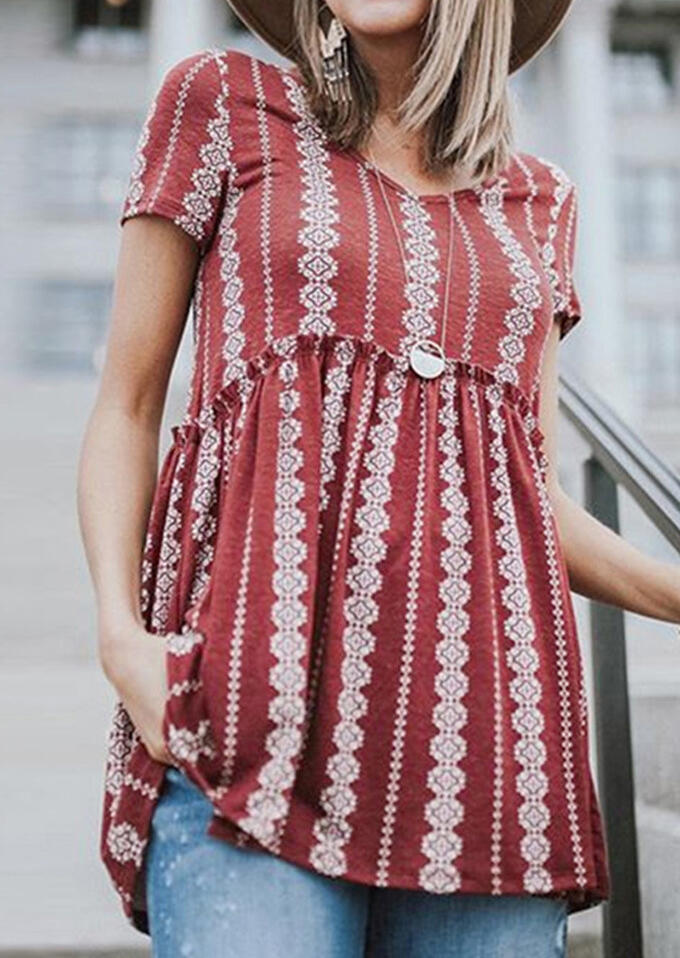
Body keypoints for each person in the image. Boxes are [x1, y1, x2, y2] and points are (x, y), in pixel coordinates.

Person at [77, 0, 680, 955]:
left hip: (487, 762)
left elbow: (528, 494)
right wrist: (121, 638)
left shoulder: (540, 201)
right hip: (252, 717)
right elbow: (128, 405)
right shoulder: (224, 103)